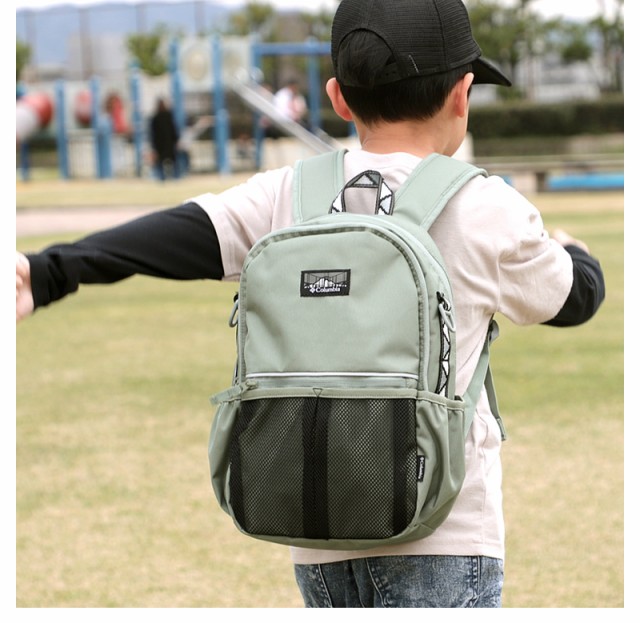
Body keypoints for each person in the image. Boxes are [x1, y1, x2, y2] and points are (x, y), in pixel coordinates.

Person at [15, 0, 604, 608]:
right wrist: (575, 252)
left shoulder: (290, 193)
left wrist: (51, 271)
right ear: (462, 93)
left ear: (339, 98)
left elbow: (179, 234)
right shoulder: (486, 207)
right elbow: (575, 298)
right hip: (443, 533)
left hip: (315, 531)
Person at [149, 97, 179, 180]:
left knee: (160, 161)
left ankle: (161, 177)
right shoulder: (169, 116)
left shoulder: (155, 118)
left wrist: (153, 144)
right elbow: (173, 129)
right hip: (169, 142)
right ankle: (175, 176)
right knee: (172, 160)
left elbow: (153, 133)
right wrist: (176, 140)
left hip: (159, 143)